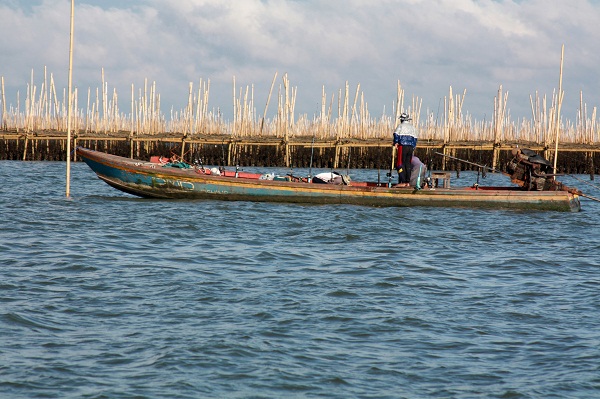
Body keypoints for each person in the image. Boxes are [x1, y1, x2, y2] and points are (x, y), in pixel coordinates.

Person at [392, 113, 418, 183]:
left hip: (402, 146)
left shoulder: (400, 126)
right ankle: (407, 180)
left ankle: (402, 180)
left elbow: (396, 134)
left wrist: (396, 143)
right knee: (408, 163)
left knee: (400, 163)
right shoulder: (412, 127)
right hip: (410, 147)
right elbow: (415, 138)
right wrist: (413, 146)